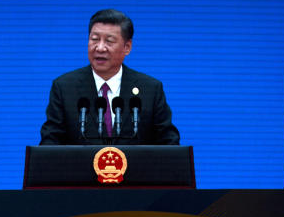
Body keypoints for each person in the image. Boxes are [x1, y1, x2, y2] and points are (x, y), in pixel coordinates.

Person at [39, 9, 180, 145]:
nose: (100, 48)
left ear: (127, 47)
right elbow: (50, 142)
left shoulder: (150, 89)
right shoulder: (64, 87)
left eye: (109, 41)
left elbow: (169, 143)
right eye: (94, 39)